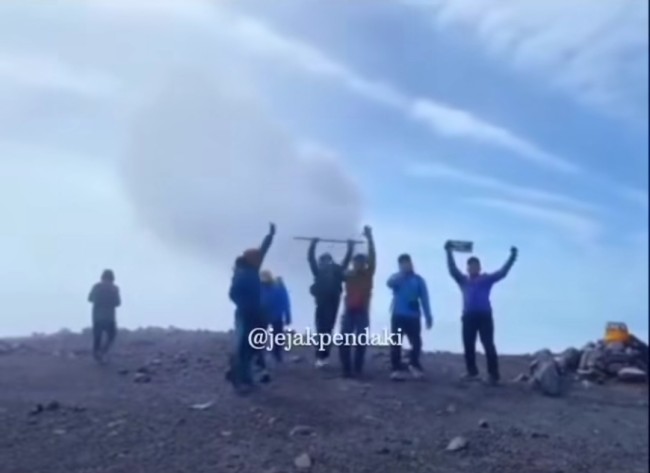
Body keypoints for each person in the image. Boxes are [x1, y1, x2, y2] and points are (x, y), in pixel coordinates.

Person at [445, 242, 518, 385]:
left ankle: (493, 375)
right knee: (468, 344)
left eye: (475, 266)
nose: (473, 268)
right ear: (468, 268)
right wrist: (448, 252)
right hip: (468, 317)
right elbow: (452, 270)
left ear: (479, 267)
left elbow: (502, 272)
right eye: (470, 266)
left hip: (484, 316)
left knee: (488, 344)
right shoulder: (464, 281)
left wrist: (512, 257)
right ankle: (472, 372)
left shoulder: (486, 279)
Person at [227, 223, 276, 394]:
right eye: (257, 258)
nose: (260, 259)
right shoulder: (243, 273)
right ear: (251, 259)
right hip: (246, 314)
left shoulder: (250, 269)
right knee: (243, 347)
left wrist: (270, 237)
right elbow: (232, 294)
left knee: (250, 347)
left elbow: (262, 251)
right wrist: (246, 305)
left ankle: (245, 379)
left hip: (254, 313)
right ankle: (239, 380)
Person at [308, 237, 354, 368]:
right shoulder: (319, 272)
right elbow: (310, 259)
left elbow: (345, 261)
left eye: (326, 260)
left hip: (332, 304)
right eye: (323, 261)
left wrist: (349, 247)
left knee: (326, 330)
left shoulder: (336, 271)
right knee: (322, 330)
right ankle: (321, 356)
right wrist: (313, 245)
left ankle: (323, 356)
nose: (324, 263)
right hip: (322, 304)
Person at [387, 254, 433, 381]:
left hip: (413, 316)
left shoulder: (418, 280)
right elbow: (389, 283)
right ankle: (395, 368)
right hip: (398, 315)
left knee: (416, 342)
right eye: (402, 263)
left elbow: (424, 298)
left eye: (407, 263)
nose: (405, 265)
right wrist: (402, 275)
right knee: (396, 342)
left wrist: (428, 316)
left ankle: (414, 364)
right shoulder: (396, 277)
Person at [339, 226, 376, 378]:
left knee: (361, 340)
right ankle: (347, 370)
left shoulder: (368, 274)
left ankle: (358, 368)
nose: (357, 264)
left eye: (360, 262)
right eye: (355, 262)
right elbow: (341, 267)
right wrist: (350, 248)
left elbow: (373, 256)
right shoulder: (348, 275)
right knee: (344, 341)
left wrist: (369, 237)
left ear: (364, 264)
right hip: (349, 311)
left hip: (362, 311)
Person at [88, 269, 121, 363]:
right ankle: (102, 351)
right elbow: (118, 303)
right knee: (111, 335)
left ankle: (97, 353)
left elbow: (89, 299)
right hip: (109, 317)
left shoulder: (96, 287)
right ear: (112, 278)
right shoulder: (114, 288)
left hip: (97, 317)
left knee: (97, 337)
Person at [260, 271, 292, 363]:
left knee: (277, 336)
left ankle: (276, 353)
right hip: (264, 314)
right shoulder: (259, 286)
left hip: (275, 314)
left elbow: (285, 302)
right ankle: (261, 354)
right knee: (261, 335)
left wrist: (287, 315)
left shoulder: (278, 287)